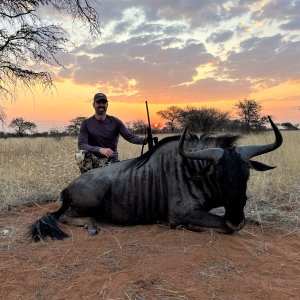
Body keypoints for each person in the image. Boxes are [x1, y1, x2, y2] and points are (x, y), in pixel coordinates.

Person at [75, 92, 146, 173]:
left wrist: (144, 140)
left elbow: (130, 137)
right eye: (98, 102)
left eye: (104, 102)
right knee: (80, 154)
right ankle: (86, 181)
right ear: (93, 105)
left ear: (107, 105)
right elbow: (81, 145)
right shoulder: (86, 123)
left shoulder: (115, 121)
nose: (101, 105)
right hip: (93, 160)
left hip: (111, 160)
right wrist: (100, 150)